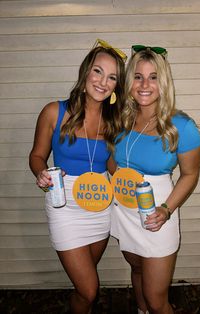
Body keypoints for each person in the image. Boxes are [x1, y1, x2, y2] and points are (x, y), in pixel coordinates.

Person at [29, 39, 126, 314]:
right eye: (98, 71)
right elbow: (36, 156)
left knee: (85, 285)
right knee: (89, 289)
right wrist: (41, 173)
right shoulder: (53, 112)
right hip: (65, 204)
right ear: (86, 73)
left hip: (99, 204)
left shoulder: (114, 122)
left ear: (116, 87)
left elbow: (112, 166)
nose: (102, 82)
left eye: (112, 77)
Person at [110, 45, 200, 314]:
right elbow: (113, 163)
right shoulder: (121, 120)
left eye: (153, 77)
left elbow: (190, 174)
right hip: (124, 211)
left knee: (156, 298)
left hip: (158, 214)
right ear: (129, 82)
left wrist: (166, 209)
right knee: (137, 269)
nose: (144, 84)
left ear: (163, 83)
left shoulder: (182, 126)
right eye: (138, 76)